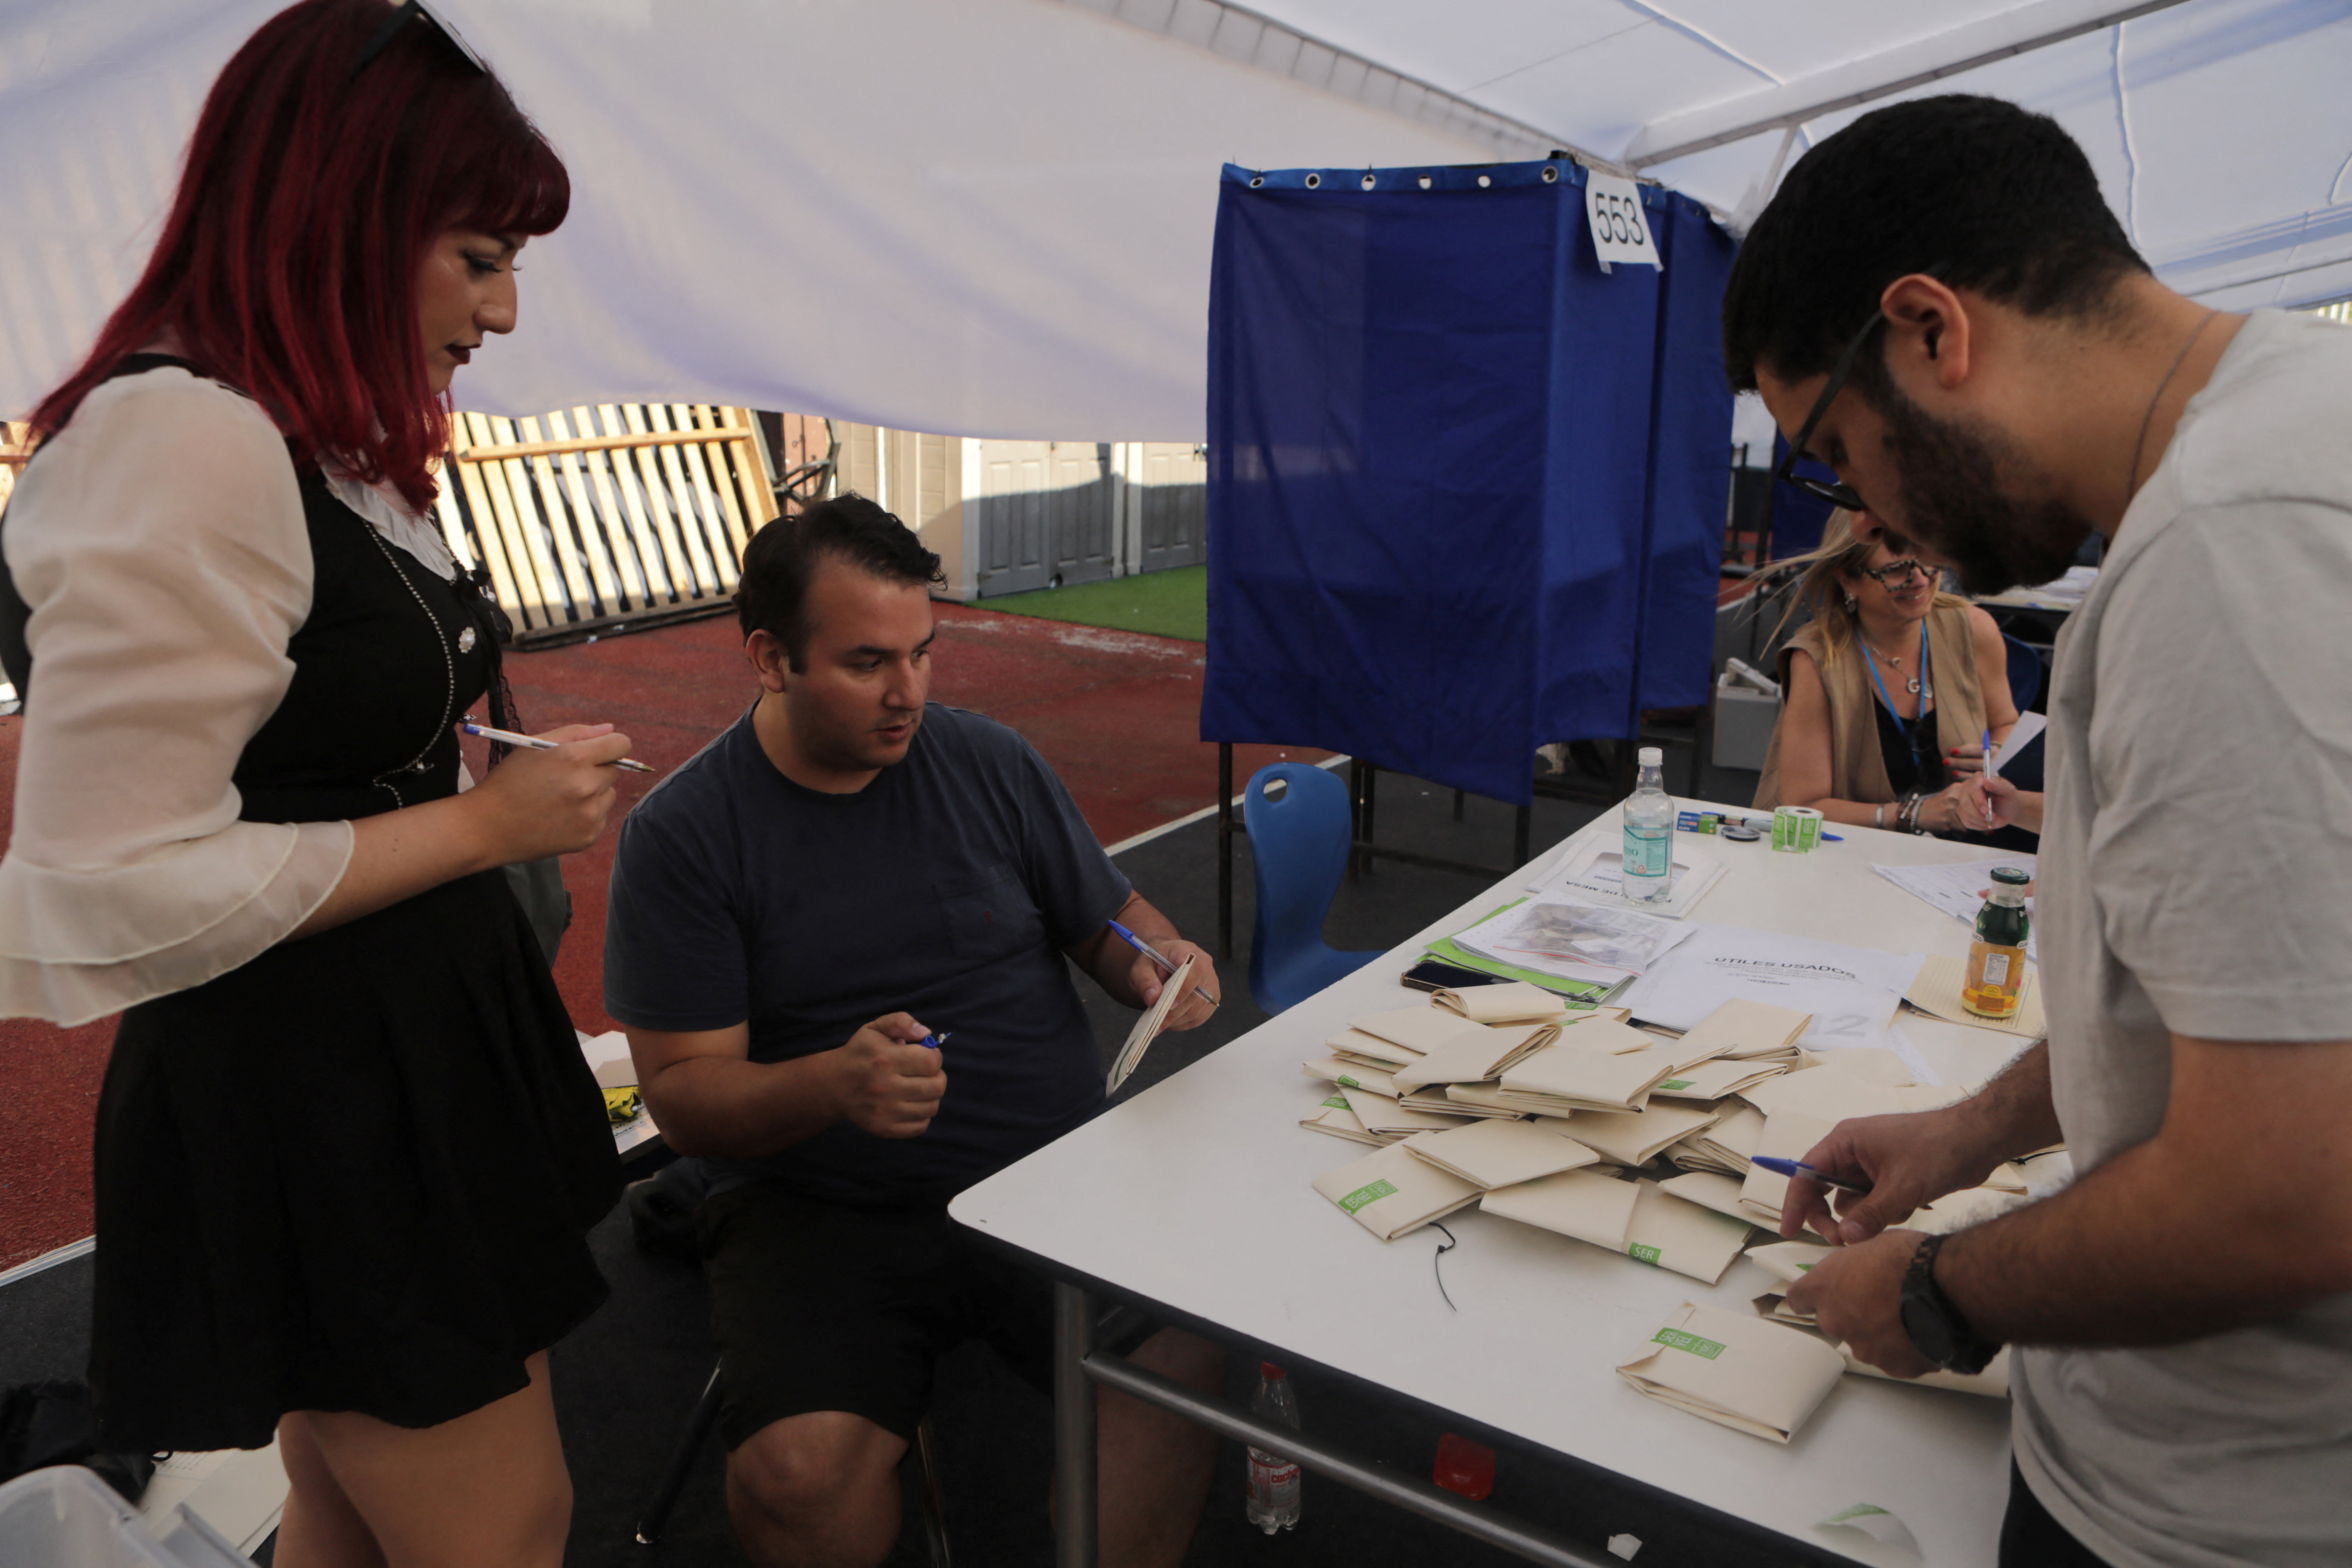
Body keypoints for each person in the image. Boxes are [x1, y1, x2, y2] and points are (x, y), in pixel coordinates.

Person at [0, 4, 630, 1563]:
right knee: (506, 1528)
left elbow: (312, 740)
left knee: (345, 1508)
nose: (500, 310)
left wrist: (462, 770)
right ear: (348, 214)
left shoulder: (310, 436)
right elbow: (110, 879)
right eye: (477, 254)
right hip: (322, 1094)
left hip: (406, 1055)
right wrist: (483, 822)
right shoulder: (183, 436)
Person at [1723, 93, 2352, 1568]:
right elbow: (2220, 996)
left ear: (1928, 329)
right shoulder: (2287, 432)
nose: (1859, 512)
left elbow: (2285, 1190)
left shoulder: (2228, 541)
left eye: (1830, 452)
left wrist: (1939, 1289)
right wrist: (1966, 1129)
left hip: (2217, 1510)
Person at [603, 496, 1227, 1568]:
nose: (908, 693)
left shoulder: (987, 760)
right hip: (822, 1205)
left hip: (1048, 1174)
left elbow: (1108, 916)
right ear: (769, 657)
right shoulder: (685, 836)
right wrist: (829, 1086)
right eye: (865, 663)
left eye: (924, 652)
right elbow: (681, 1093)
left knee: (1182, 1353)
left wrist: (1155, 962)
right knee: (794, 1475)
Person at [1752, 508, 2019, 835]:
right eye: (1897, 570)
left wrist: (1999, 753)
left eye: (1929, 561)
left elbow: (2006, 724)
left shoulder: (1974, 629)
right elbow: (1804, 806)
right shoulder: (1818, 658)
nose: (1921, 579)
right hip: (1854, 854)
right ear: (1847, 578)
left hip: (1962, 851)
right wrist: (1912, 814)